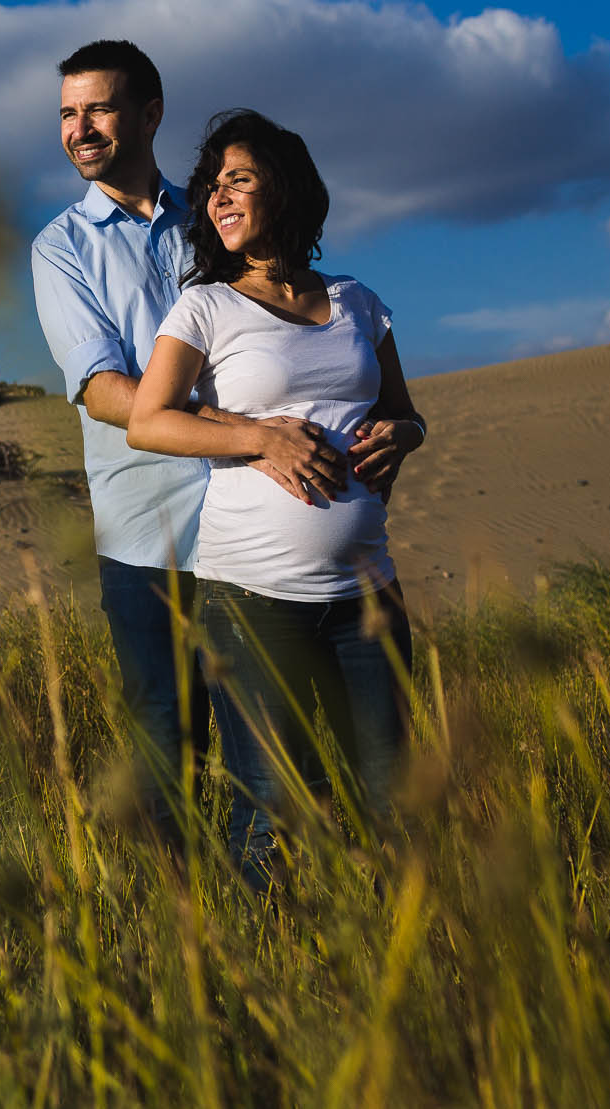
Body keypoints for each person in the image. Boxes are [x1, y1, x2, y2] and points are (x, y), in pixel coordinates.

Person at [31, 43, 342, 849]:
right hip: (148, 535)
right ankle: (182, 919)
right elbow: (104, 390)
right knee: (167, 752)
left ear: (150, 114)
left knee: (271, 747)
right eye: (67, 113)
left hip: (258, 528)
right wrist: (250, 436)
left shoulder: (216, 215)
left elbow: (284, 333)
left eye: (98, 109)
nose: (79, 129)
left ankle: (268, 914)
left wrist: (379, 421)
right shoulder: (62, 247)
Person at [125, 108, 425, 888]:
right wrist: (262, 439)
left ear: (285, 188)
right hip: (254, 598)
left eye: (238, 179)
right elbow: (149, 420)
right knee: (272, 807)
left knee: (397, 803)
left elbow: (405, 411)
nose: (217, 197)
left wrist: (404, 434)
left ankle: (405, 948)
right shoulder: (205, 306)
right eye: (211, 185)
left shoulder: (358, 301)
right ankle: (262, 953)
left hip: (369, 594)